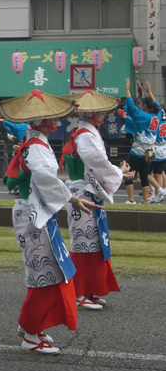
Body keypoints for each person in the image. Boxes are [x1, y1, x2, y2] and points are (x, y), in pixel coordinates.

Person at [0, 90, 102, 355]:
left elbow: (17, 180)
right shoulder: (35, 147)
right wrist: (73, 199)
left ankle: (30, 325)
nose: (57, 124)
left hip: (36, 214)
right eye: (53, 120)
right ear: (42, 122)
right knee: (45, 275)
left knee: (47, 273)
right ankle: (31, 334)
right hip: (34, 217)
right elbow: (45, 179)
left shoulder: (31, 144)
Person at [60, 91, 132, 311]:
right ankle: (80, 292)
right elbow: (99, 164)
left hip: (87, 192)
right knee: (84, 243)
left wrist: (117, 173)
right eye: (101, 111)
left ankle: (88, 289)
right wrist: (119, 173)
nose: (104, 115)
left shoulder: (85, 134)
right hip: (83, 194)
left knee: (94, 243)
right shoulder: (84, 136)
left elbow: (98, 164)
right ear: (91, 113)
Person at [122, 78, 163, 204]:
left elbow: (131, 106)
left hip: (138, 150)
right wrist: (150, 92)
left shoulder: (142, 116)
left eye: (142, 104)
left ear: (145, 105)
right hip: (150, 151)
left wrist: (127, 89)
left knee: (127, 171)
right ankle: (145, 201)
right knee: (144, 174)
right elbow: (159, 106)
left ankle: (131, 199)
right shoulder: (158, 115)